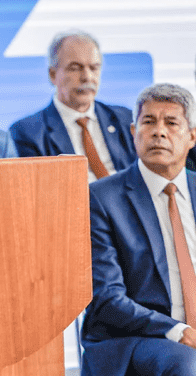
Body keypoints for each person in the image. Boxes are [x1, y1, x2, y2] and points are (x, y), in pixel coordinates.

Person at [82, 83, 196, 376]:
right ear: (133, 132)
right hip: (135, 338)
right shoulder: (101, 198)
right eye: (149, 121)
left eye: (171, 123)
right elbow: (107, 298)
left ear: (192, 136)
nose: (159, 131)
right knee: (186, 364)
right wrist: (178, 330)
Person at [9, 30, 136, 181]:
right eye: (75, 68)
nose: (87, 77)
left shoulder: (124, 119)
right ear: (53, 74)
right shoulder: (28, 132)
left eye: (94, 68)